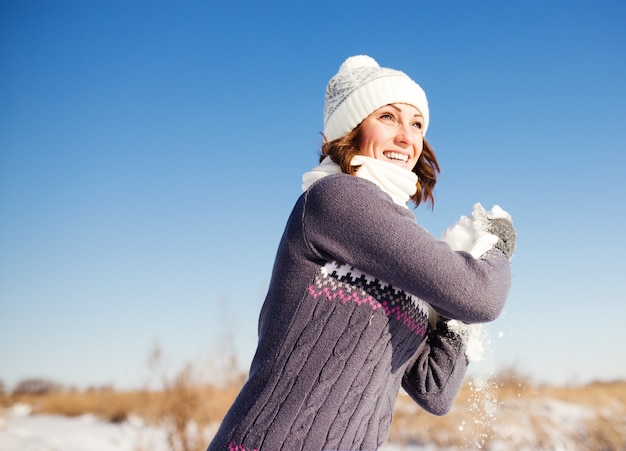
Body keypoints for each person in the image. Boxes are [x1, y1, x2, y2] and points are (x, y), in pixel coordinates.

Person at [207, 55, 515, 451]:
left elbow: (434, 388)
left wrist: (449, 316)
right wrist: (495, 248)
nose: (407, 137)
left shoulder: (393, 246)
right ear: (351, 128)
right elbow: (481, 297)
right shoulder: (335, 200)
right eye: (388, 117)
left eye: (417, 124)